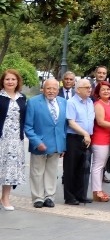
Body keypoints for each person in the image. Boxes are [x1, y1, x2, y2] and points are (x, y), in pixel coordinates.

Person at [24, 77, 66, 208]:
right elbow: (28, 126)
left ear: (58, 90)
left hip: (57, 143)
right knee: (37, 172)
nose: (51, 91)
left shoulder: (63, 102)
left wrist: (63, 146)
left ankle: (49, 197)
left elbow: (64, 126)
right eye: (48, 88)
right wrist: (37, 142)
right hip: (39, 143)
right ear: (43, 89)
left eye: (54, 88)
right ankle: (38, 198)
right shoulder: (33, 102)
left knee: (52, 172)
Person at [64, 78, 95, 205]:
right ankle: (70, 197)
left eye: (90, 87)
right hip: (74, 138)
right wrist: (85, 133)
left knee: (84, 168)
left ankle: (81, 195)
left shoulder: (90, 102)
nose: (89, 89)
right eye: (86, 87)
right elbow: (71, 122)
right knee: (71, 168)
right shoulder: (71, 102)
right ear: (78, 90)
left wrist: (88, 135)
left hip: (87, 139)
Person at [0, 69, 27, 210]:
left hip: (16, 140)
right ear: (2, 81)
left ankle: (5, 198)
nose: (10, 82)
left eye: (13, 79)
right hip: (1, 138)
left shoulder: (22, 97)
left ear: (17, 82)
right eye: (7, 79)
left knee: (10, 170)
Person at [91, 80, 110, 202]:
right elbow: (100, 122)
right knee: (98, 166)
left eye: (108, 89)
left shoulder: (109, 103)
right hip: (100, 139)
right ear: (98, 92)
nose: (106, 91)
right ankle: (96, 191)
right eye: (103, 90)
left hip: (108, 138)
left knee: (101, 165)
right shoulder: (98, 104)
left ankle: (99, 189)